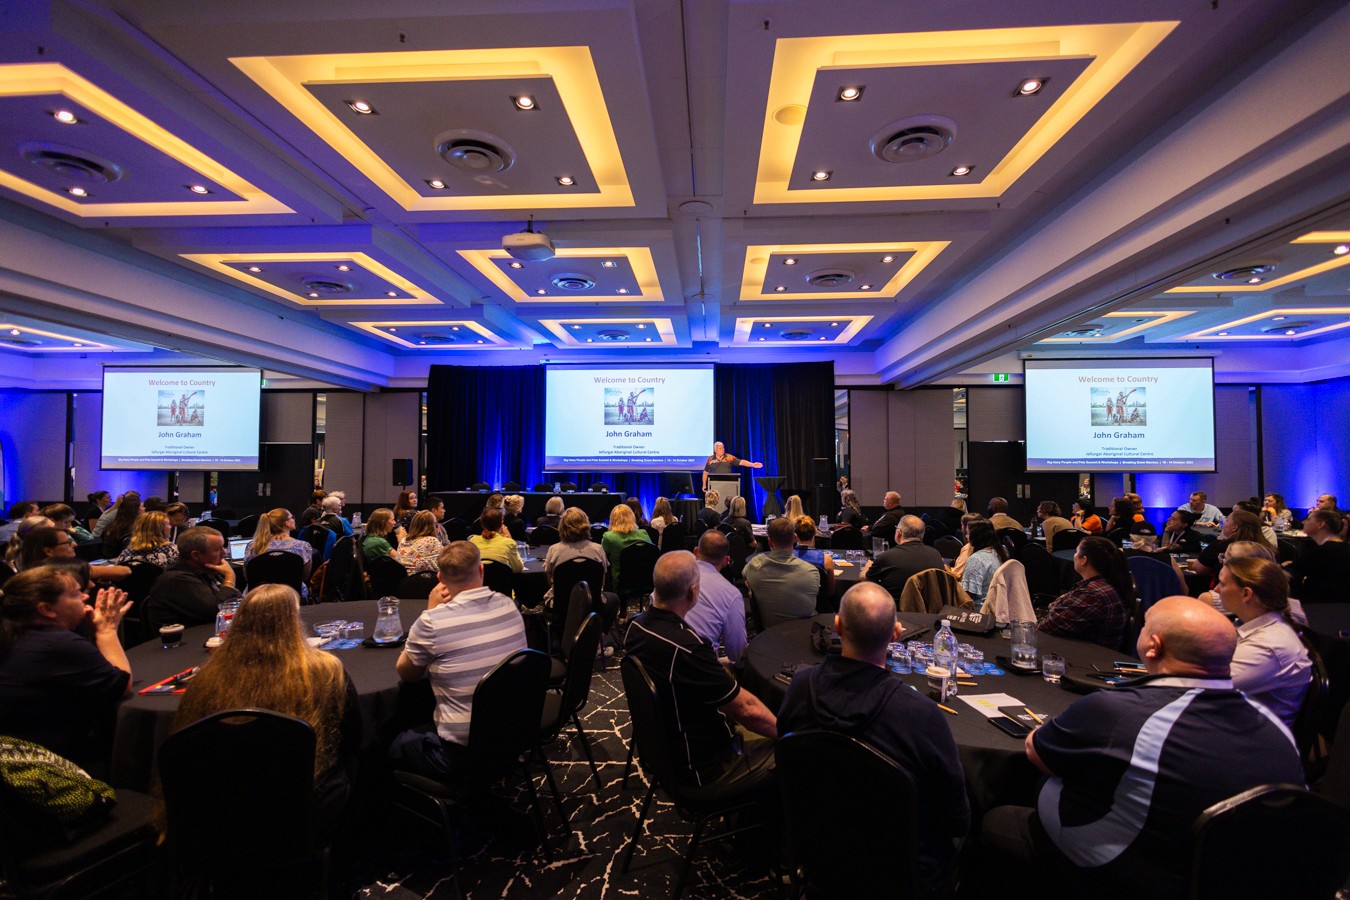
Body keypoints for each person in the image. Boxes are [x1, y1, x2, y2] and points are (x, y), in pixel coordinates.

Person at [981, 597, 1302, 900]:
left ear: (1153, 646)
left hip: (1123, 875)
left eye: (1145, 626)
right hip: (1233, 880)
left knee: (998, 820)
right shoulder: (1277, 727)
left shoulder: (1115, 710)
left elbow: (1037, 752)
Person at [778, 582, 969, 898]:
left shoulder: (800, 688)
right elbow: (957, 820)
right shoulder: (922, 715)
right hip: (902, 878)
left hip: (819, 858)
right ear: (896, 634)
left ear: (837, 626)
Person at [170, 584, 360, 823]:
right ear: (293, 622)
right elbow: (353, 736)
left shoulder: (205, 679)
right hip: (303, 803)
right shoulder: (325, 670)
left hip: (220, 806)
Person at [623, 551, 777, 794]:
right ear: (693, 591)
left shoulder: (635, 627)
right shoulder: (689, 649)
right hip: (703, 771)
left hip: (661, 751)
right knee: (795, 748)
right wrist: (787, 732)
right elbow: (747, 711)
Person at [389, 542, 528, 780]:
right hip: (514, 735)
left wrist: (430, 610)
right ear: (481, 570)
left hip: (460, 756)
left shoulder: (432, 622)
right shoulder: (509, 605)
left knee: (388, 740)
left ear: (440, 578)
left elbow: (408, 674)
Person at [0, 567, 132, 771]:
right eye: (75, 594)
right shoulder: (56, 644)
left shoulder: (16, 634)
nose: (85, 596)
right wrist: (107, 631)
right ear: (47, 610)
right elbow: (122, 684)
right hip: (57, 768)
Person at [1214, 557, 1311, 728]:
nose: (1216, 589)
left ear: (1246, 594)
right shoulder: (1256, 625)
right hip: (1235, 722)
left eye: (1222, 584)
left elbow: (1204, 688)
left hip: (1249, 737)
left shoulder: (1268, 646)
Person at [1038, 536, 1133, 651]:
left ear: (1084, 560)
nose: (1074, 556)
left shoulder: (1092, 594)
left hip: (1089, 657)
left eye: (1076, 552)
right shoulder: (1107, 584)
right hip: (1092, 653)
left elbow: (1048, 626)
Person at [142, 526, 241, 633]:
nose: (224, 552)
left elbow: (236, 601)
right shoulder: (176, 579)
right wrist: (230, 577)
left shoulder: (207, 569)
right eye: (217, 549)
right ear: (196, 555)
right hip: (187, 639)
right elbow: (217, 611)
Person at [682, 530, 749, 664]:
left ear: (695, 552)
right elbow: (737, 653)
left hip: (654, 661)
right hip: (698, 666)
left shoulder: (671, 576)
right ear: (726, 560)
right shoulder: (731, 594)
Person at [743, 517, 820, 628]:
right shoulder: (811, 572)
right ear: (795, 538)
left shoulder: (754, 565)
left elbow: (744, 574)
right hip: (803, 634)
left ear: (769, 542)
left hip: (768, 633)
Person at [864, 515, 946, 600]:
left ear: (899, 533)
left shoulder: (887, 557)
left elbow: (866, 579)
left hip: (894, 607)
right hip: (929, 607)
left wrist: (867, 567)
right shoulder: (936, 555)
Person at [543, 507, 610, 605]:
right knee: (614, 599)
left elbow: (550, 581)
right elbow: (602, 582)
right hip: (592, 602)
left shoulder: (554, 550)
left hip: (561, 603)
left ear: (562, 526)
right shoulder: (598, 549)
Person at [1285, 508, 1350, 604]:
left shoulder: (1320, 552)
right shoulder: (1344, 548)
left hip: (1318, 606)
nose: (1303, 522)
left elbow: (1290, 573)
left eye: (1308, 519)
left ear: (1321, 524)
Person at [245, 508, 314, 595]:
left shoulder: (252, 546)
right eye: (292, 517)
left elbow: (247, 576)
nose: (294, 519)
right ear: (286, 523)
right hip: (292, 595)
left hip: (259, 595)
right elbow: (304, 577)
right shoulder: (303, 546)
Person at [1191, 509, 1272, 579]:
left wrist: (1217, 542)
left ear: (1235, 527)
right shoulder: (1268, 548)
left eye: (1227, 520)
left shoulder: (1222, 546)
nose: (1223, 524)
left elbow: (1198, 569)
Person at [602, 503, 652, 588]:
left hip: (620, 584)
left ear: (613, 520)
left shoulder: (609, 537)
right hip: (644, 582)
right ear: (632, 518)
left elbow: (602, 560)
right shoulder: (643, 533)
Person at [960, 520, 1007, 605]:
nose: (966, 537)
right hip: (998, 606)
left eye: (968, 534)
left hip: (980, 609)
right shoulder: (1001, 553)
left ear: (975, 537)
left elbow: (966, 597)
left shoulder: (976, 559)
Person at [114, 510, 180, 570]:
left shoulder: (125, 554)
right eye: (168, 524)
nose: (171, 527)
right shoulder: (172, 551)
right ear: (159, 529)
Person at [470, 507, 523, 573]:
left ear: (482, 523)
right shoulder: (508, 542)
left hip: (478, 579)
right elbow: (518, 568)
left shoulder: (472, 541)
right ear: (501, 523)